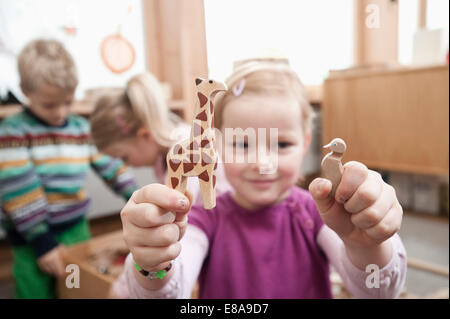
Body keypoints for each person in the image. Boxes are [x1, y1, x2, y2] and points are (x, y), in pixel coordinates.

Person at [114, 58, 407, 298]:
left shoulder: (320, 213)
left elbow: (378, 293)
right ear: (217, 145)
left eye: (281, 145)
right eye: (242, 144)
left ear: (305, 144)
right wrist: (154, 262)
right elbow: (170, 289)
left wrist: (366, 245)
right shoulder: (204, 219)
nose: (262, 163)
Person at [0, 38, 138, 298]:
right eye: (50, 105)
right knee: (34, 292)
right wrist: (42, 240)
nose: (61, 112)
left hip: (75, 229)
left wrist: (137, 196)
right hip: (32, 236)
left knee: (75, 288)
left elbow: (111, 167)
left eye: (68, 102)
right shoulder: (13, 131)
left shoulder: (81, 128)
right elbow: (19, 191)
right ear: (25, 92)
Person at [89, 72, 232, 206]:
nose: (126, 165)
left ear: (145, 135)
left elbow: (179, 207)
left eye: (124, 157)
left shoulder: (186, 148)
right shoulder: (161, 159)